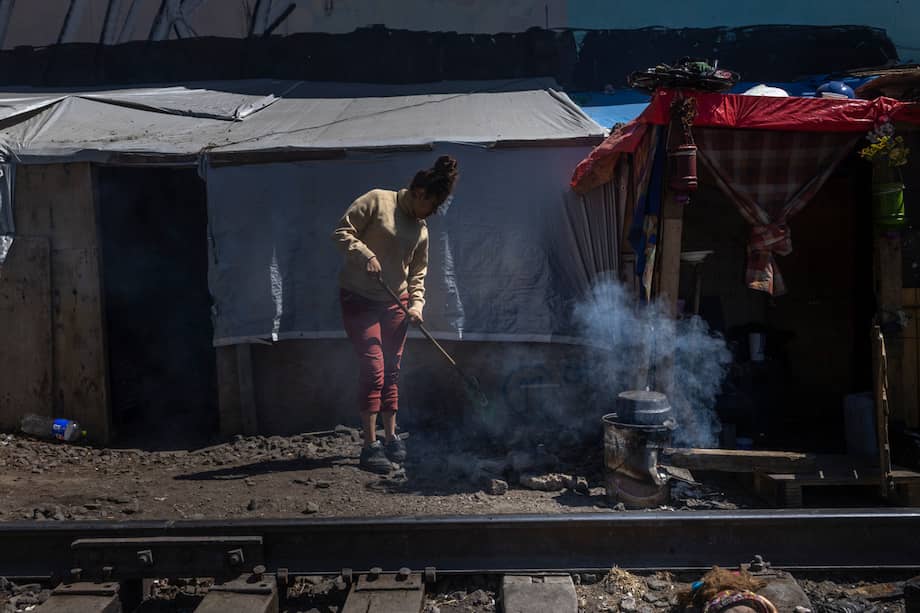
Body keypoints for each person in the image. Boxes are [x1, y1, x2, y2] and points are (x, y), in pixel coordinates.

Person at [332, 155, 459, 473]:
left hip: (395, 303)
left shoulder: (421, 229)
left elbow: (418, 273)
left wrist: (417, 305)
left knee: (392, 369)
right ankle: (369, 445)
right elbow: (341, 233)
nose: (429, 213)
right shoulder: (376, 200)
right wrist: (364, 253)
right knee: (374, 367)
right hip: (360, 299)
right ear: (418, 192)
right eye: (429, 205)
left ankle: (391, 437)